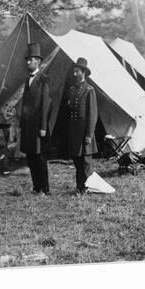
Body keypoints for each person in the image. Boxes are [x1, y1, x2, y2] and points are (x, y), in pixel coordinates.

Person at [20, 43, 52, 195]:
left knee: (40, 158)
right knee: (31, 158)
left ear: (37, 61)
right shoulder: (27, 80)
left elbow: (45, 105)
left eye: (30, 60)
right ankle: (36, 187)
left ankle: (45, 189)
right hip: (28, 127)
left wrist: (44, 126)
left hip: (39, 127)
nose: (27, 62)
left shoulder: (44, 79)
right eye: (27, 60)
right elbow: (25, 104)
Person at [66, 57, 98, 195]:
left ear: (83, 72)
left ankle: (87, 188)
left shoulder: (89, 90)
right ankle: (80, 187)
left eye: (77, 71)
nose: (75, 74)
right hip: (75, 132)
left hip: (85, 133)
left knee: (86, 163)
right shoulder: (72, 89)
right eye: (74, 71)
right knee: (77, 162)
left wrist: (89, 135)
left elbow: (92, 114)